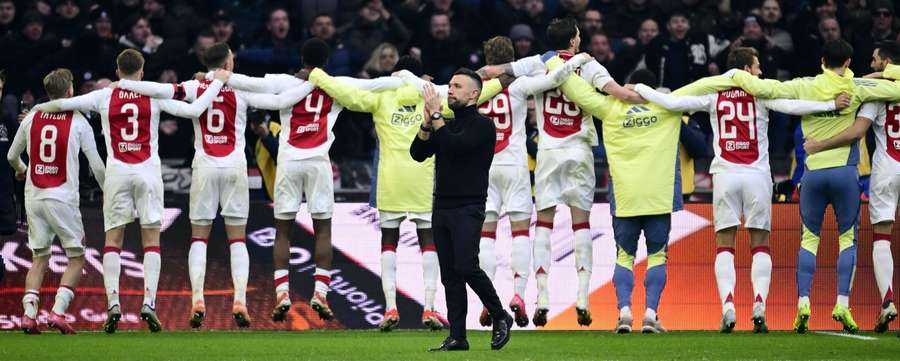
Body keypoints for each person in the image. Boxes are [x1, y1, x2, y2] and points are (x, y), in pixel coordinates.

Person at [186, 39, 403, 324]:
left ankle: (282, 293)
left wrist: (211, 76)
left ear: (302, 58)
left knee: (283, 230)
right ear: (327, 61)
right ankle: (321, 293)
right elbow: (376, 86)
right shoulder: (336, 85)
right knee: (323, 229)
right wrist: (401, 78)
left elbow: (250, 83)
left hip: (288, 162)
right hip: (318, 163)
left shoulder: (286, 82)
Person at [632, 47, 848, 333]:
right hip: (757, 175)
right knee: (760, 243)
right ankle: (759, 303)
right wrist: (830, 105)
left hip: (725, 176)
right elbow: (794, 106)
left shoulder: (713, 94)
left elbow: (671, 104)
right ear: (747, 69)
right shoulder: (760, 93)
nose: (760, 72)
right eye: (757, 67)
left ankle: (728, 306)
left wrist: (641, 89)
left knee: (725, 244)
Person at [395, 38, 591, 328]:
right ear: (510, 58)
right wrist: (575, 61)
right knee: (520, 231)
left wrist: (403, 74)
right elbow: (555, 77)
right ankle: (518, 294)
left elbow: (423, 94)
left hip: (482, 170)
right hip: (514, 164)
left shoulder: (474, 89)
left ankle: (488, 305)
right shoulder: (518, 85)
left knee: (485, 238)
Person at [33, 49, 229, 333]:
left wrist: (37, 110)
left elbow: (61, 104)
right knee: (151, 239)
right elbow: (194, 110)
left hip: (117, 174)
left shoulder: (104, 95)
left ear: (116, 71)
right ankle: (149, 302)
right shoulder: (152, 94)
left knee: (113, 239)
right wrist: (216, 84)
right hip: (147, 173)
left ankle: (113, 304)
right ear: (142, 71)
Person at [306, 56, 503, 331]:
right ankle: (429, 308)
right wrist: (505, 76)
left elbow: (348, 96)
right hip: (424, 181)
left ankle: (389, 308)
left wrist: (316, 74)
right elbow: (476, 94)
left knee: (389, 242)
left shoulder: (382, 96)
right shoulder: (432, 99)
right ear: (425, 75)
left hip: (391, 179)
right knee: (429, 244)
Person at [723, 39, 900, 334]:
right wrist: (882, 74)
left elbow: (770, 89)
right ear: (847, 62)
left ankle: (803, 303)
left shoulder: (805, 85)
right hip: (845, 174)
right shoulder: (857, 88)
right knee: (847, 240)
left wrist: (733, 76)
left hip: (813, 174)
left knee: (809, 240)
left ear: (821, 60)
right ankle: (842, 304)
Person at [480, 17, 642, 327]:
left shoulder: (538, 64)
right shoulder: (591, 66)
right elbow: (618, 93)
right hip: (579, 151)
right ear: (574, 41)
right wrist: (644, 96)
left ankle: (541, 297)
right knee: (581, 224)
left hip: (548, 153)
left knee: (543, 223)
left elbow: (498, 71)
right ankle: (582, 297)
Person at [410, 69, 513, 351]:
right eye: (450, 85)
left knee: (467, 265)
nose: (450, 90)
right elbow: (418, 153)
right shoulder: (447, 123)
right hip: (441, 205)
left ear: (474, 94)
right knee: (450, 275)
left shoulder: (482, 126)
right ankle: (458, 336)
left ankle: (500, 315)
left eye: (457, 86)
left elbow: (455, 147)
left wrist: (435, 116)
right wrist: (426, 123)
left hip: (469, 206)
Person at [805, 42, 900, 333]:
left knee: (881, 236)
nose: (870, 64)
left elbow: (857, 131)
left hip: (888, 167)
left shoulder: (876, 94)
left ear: (886, 62)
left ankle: (887, 301)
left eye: (874, 60)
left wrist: (819, 145)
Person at [7, 68, 106, 334]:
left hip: (34, 196)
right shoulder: (79, 122)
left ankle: (29, 314)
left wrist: (23, 170)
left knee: (39, 258)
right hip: (62, 198)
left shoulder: (32, 117)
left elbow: (11, 156)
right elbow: (96, 165)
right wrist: (109, 191)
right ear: (70, 92)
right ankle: (58, 312)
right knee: (76, 256)